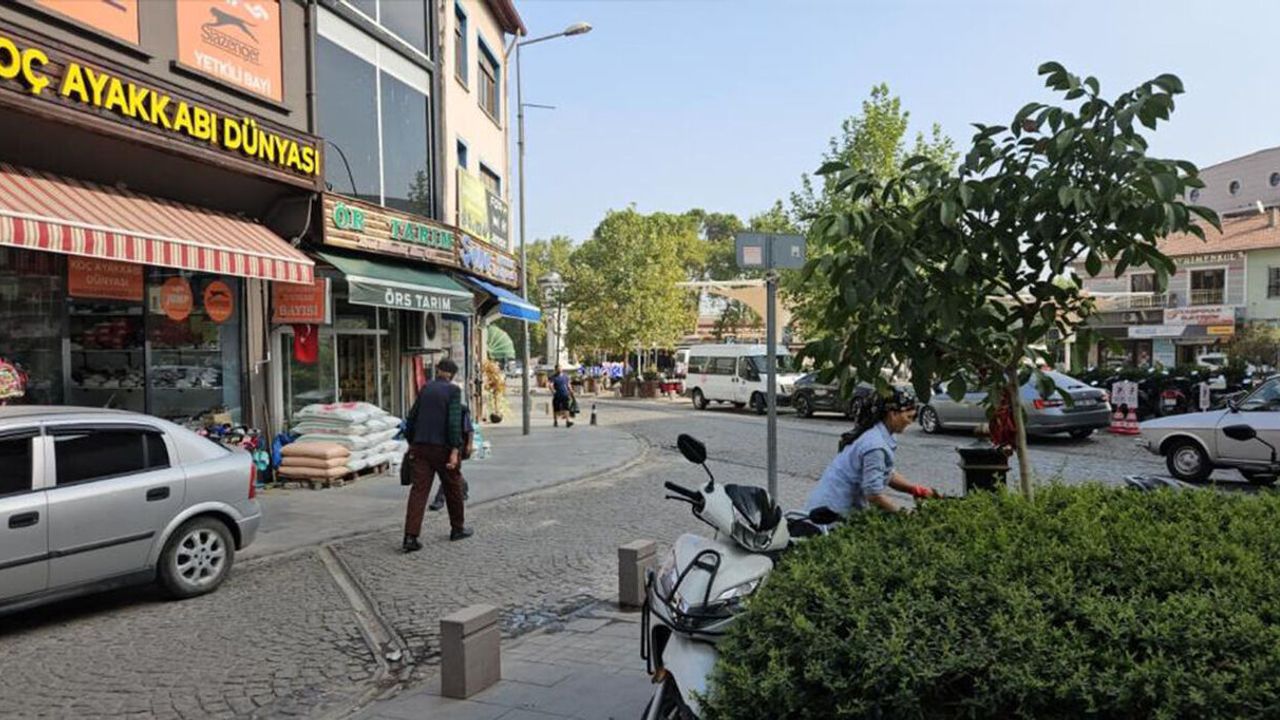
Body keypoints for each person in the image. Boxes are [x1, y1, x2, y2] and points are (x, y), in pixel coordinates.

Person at [805, 388, 937, 516]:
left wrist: (914, 489)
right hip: (829, 513)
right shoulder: (875, 445)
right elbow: (874, 494)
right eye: (909, 417)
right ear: (893, 414)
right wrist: (905, 515)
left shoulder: (882, 433)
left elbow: (886, 472)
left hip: (832, 506)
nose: (911, 422)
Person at [402, 358, 472, 551]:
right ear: (452, 375)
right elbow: (454, 423)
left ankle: (410, 537)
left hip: (420, 447)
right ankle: (457, 528)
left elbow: (411, 418)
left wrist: (412, 443)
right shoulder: (453, 391)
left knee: (419, 491)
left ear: (438, 370)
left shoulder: (425, 388)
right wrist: (455, 450)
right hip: (443, 449)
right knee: (453, 488)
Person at [429, 403, 472, 512]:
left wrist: (469, 444)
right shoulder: (439, 409)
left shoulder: (461, 409)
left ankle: (439, 499)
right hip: (443, 444)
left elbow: (469, 429)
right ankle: (464, 487)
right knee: (453, 471)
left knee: (449, 472)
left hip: (458, 445)